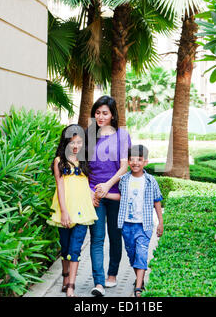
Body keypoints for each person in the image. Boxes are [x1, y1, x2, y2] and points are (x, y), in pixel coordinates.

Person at [87, 96, 131, 297]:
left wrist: (107, 185)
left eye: (105, 113)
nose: (100, 116)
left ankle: (112, 274)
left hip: (115, 194)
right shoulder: (89, 135)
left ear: (113, 115)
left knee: (115, 236)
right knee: (96, 238)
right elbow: (82, 168)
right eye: (97, 112)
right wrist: (90, 192)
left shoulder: (122, 134)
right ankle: (98, 282)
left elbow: (124, 166)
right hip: (94, 195)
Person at [47, 124, 98, 297]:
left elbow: (85, 184)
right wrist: (64, 211)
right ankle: (65, 278)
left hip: (82, 211)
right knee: (66, 247)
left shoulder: (84, 161)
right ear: (66, 143)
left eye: (79, 142)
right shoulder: (59, 162)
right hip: (65, 209)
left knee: (75, 249)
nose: (76, 146)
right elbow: (60, 186)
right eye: (72, 142)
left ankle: (71, 287)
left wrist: (92, 196)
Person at [118, 145, 164, 297]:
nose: (135, 163)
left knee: (142, 254)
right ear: (128, 162)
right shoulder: (124, 180)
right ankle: (140, 279)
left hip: (144, 225)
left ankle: (138, 288)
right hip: (126, 224)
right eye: (132, 159)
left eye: (139, 160)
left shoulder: (151, 181)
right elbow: (121, 197)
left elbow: (157, 202)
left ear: (146, 162)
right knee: (132, 254)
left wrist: (161, 222)